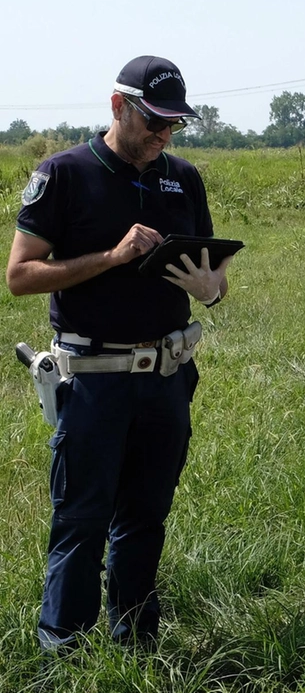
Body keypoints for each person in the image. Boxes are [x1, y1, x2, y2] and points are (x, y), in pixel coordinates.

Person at [5, 55, 233, 652]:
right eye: (153, 121)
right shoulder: (65, 174)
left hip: (166, 375)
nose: (163, 135)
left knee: (145, 515)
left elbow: (216, 272)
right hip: (93, 379)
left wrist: (212, 289)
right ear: (117, 106)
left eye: (174, 124)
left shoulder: (183, 178)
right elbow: (20, 276)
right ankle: (64, 647)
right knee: (81, 518)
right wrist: (110, 257)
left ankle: (136, 641)